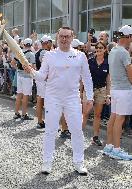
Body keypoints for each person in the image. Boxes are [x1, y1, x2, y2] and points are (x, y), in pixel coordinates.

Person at [24, 27, 93, 175]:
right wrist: (31, 72)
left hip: (72, 98)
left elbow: (87, 77)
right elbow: (42, 76)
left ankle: (79, 163)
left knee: (77, 131)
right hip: (53, 97)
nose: (64, 39)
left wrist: (90, 97)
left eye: (67, 37)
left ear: (72, 37)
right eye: (61, 36)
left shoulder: (80, 56)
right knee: (50, 131)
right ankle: (47, 163)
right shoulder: (50, 55)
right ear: (57, 37)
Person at [103, 25, 132, 160]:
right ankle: (117, 149)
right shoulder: (124, 52)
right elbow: (130, 74)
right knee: (119, 120)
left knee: (113, 118)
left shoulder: (113, 50)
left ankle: (109, 146)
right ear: (129, 37)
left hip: (115, 89)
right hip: (124, 90)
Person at [82, 41, 111, 146]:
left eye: (101, 48)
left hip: (101, 90)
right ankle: (78, 135)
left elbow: (108, 80)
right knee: (85, 113)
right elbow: (83, 77)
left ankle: (95, 137)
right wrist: (81, 91)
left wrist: (108, 95)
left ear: (105, 50)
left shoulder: (108, 63)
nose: (98, 49)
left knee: (97, 115)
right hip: (89, 90)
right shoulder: (90, 61)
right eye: (97, 48)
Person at [11, 38, 35, 120]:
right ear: (31, 45)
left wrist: (18, 69)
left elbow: (12, 63)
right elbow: (33, 67)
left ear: (24, 45)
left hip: (19, 76)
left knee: (19, 95)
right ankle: (24, 114)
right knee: (25, 96)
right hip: (27, 77)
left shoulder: (19, 53)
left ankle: (16, 113)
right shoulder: (31, 54)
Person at [35, 35, 52, 128]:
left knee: (40, 100)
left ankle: (40, 121)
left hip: (40, 78)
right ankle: (44, 121)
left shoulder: (38, 52)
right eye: (50, 42)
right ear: (47, 43)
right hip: (44, 79)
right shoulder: (45, 53)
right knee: (46, 101)